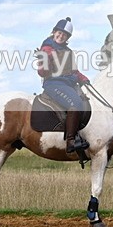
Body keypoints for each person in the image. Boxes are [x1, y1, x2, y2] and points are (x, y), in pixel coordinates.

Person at [37, 17, 91, 154]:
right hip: (53, 84)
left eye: (64, 35)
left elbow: (74, 71)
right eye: (59, 33)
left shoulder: (68, 51)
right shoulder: (46, 48)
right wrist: (45, 61)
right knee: (75, 103)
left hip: (69, 84)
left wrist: (83, 79)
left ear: (67, 37)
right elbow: (42, 73)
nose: (61, 36)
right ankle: (71, 141)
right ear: (54, 32)